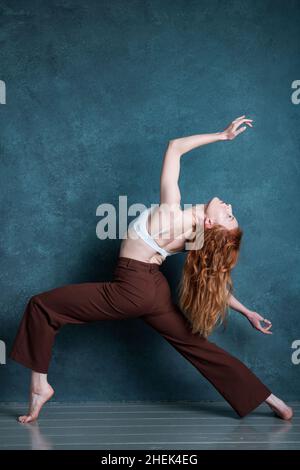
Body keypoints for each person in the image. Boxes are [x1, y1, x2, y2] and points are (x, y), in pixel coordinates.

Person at [9, 115, 293, 423]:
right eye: (231, 214)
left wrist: (222, 136)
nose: (230, 208)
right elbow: (211, 282)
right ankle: (272, 400)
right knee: (198, 348)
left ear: (210, 224)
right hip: (152, 290)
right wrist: (247, 312)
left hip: (132, 287)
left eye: (228, 217)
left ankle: (40, 386)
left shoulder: (173, 212)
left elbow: (174, 147)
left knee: (42, 306)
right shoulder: (195, 235)